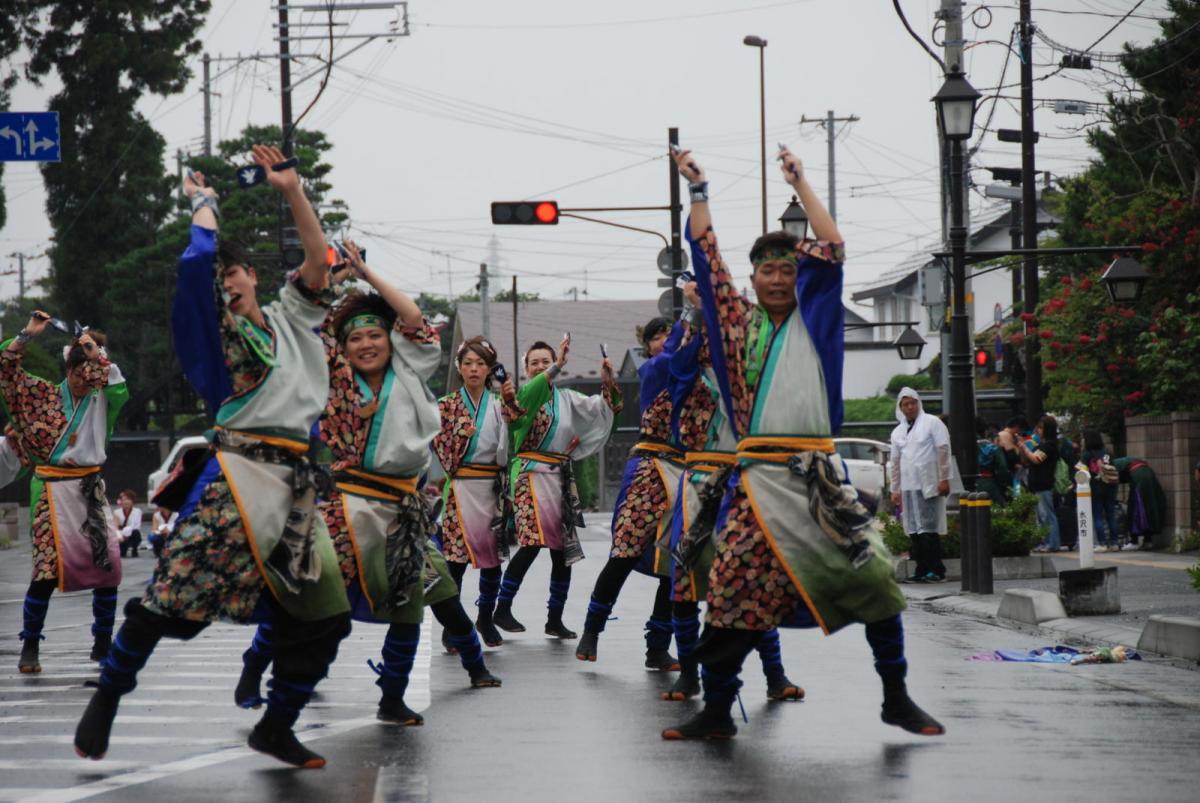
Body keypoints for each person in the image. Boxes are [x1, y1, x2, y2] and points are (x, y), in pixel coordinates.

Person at [73, 145, 352, 769]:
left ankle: (276, 724)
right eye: (217, 275)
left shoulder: (293, 317)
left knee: (326, 615)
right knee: (173, 600)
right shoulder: (218, 334)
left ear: (252, 274)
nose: (225, 279)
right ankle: (112, 694)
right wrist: (204, 206)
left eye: (234, 271)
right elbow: (197, 262)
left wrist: (291, 190)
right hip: (240, 478)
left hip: (297, 486)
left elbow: (316, 257)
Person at [661, 144, 943, 740]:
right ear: (754, 277)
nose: (780, 278)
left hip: (819, 482)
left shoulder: (816, 319)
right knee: (734, 594)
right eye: (768, 270)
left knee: (877, 583)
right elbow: (706, 259)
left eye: (789, 270)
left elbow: (833, 248)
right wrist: (699, 189)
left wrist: (802, 181)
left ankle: (895, 696)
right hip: (755, 486)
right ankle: (716, 712)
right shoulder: (733, 323)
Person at [236, 242, 501, 728]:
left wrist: (365, 273)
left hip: (402, 506)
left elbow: (414, 318)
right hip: (344, 504)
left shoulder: (410, 369)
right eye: (354, 338)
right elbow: (303, 328)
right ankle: (255, 667)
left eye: (375, 334)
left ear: (390, 339)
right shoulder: (331, 378)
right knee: (304, 597)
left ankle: (394, 696)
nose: (365, 344)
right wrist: (334, 282)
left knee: (412, 607)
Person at [663, 289, 803, 703]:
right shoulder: (690, 366)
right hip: (698, 480)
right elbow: (674, 361)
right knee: (686, 582)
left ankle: (775, 675)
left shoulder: (752, 379)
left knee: (753, 584)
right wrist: (696, 310)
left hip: (742, 482)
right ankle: (689, 673)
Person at [1, 321, 129, 673]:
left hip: (89, 488)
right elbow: (7, 371)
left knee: (108, 569)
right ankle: (30, 645)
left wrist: (95, 352)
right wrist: (26, 335)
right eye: (78, 374)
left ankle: (103, 642)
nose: (84, 382)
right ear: (68, 369)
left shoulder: (103, 397)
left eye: (91, 376)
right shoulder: (41, 395)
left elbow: (116, 385)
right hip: (50, 490)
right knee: (45, 573)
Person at [492, 336, 621, 639]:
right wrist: (558, 367)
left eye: (545, 362)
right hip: (530, 474)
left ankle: (555, 618)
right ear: (525, 370)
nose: (540, 366)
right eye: (533, 362)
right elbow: (521, 408)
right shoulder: (522, 396)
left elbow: (602, 408)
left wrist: (607, 381)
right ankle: (502, 607)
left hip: (559, 475)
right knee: (533, 542)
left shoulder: (566, 399)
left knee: (562, 551)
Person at [575, 317, 685, 670]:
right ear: (646, 347)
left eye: (670, 333)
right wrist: (693, 325)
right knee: (624, 552)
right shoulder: (656, 367)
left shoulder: (695, 373)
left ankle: (657, 647)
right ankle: (591, 631)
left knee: (674, 562)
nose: (666, 340)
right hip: (649, 468)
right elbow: (673, 355)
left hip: (684, 471)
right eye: (658, 336)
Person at [433, 336, 519, 649]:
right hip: (461, 487)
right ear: (458, 367)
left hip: (490, 487)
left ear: (489, 369)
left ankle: (485, 616)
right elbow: (439, 448)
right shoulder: (445, 406)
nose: (473, 369)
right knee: (455, 560)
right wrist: (460, 435)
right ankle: (452, 624)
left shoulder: (498, 406)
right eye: (468, 363)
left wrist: (509, 399)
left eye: (480, 363)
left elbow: (519, 427)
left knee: (492, 559)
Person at [890, 389, 951, 583]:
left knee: (928, 529)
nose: (909, 407)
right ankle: (921, 569)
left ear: (918, 403)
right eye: (905, 404)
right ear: (900, 407)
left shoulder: (932, 423)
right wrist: (895, 489)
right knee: (914, 529)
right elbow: (895, 462)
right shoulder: (898, 431)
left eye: (912, 403)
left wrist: (944, 478)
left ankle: (936, 570)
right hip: (908, 486)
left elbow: (943, 450)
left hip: (928, 482)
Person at [1113, 456, 1167, 550]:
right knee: (1148, 509)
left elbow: (1114, 479)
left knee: (1135, 509)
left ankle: (1134, 541)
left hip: (1138, 478)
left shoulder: (1111, 465)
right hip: (1149, 475)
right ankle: (1148, 540)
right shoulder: (1125, 462)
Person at [1027, 415, 1063, 552]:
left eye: (1041, 428)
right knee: (1041, 516)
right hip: (1038, 484)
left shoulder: (1049, 446)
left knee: (1047, 515)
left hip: (1044, 484)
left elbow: (1036, 459)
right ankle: (1046, 542)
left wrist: (1023, 448)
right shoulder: (1043, 444)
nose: (1038, 430)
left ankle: (1053, 543)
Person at [1080, 430, 1119, 552]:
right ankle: (1114, 543)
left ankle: (1102, 544)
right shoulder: (1108, 452)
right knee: (1110, 515)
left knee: (1097, 515)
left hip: (1096, 486)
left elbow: (1080, 472)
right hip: (1111, 486)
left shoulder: (1087, 454)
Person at [113, 490, 143, 558]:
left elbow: (136, 526)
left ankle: (134, 549)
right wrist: (120, 536)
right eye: (124, 500)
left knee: (136, 532)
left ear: (132, 501)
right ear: (121, 501)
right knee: (122, 554)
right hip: (121, 536)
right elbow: (115, 527)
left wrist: (126, 533)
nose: (126, 501)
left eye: (128, 499)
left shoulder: (138, 511)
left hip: (132, 533)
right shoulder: (116, 512)